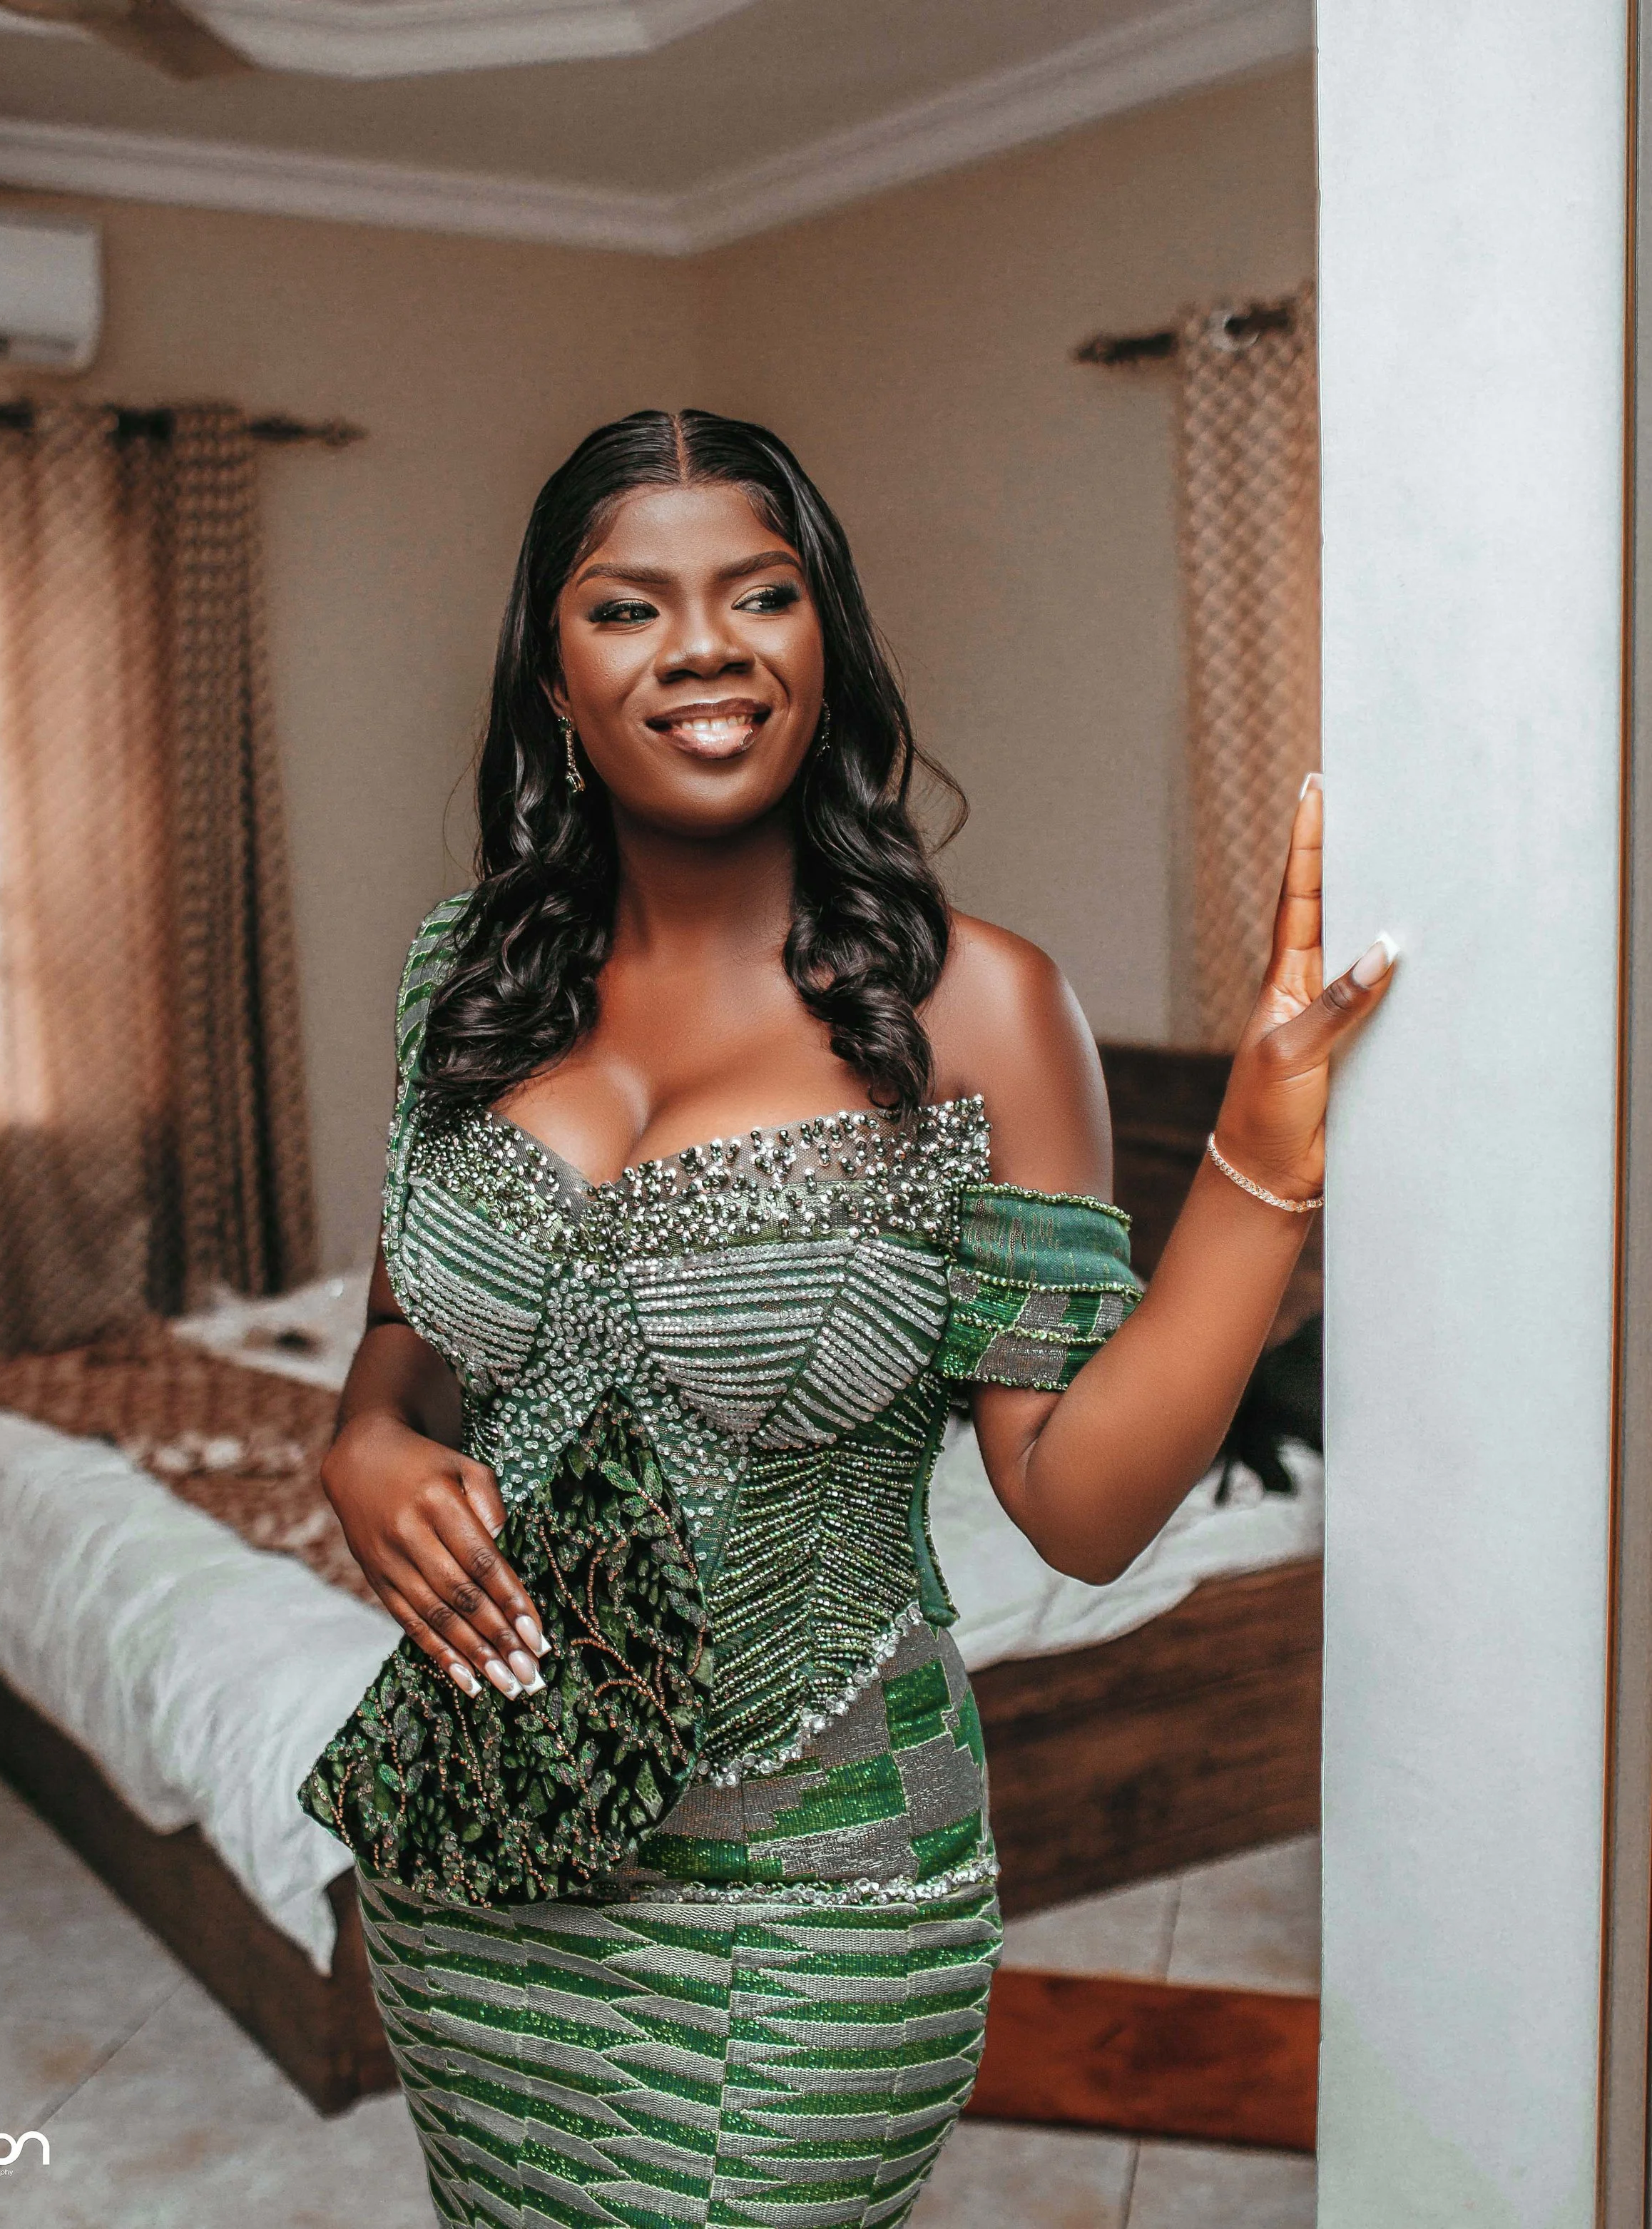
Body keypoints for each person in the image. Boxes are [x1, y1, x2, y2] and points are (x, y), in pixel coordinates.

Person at [297, 408, 1394, 2228]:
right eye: (627, 607)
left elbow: (1079, 1505)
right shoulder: (461, 972)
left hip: (808, 1894)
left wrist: (1257, 1168)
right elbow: (417, 1327)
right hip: (477, 1862)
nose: (705, 645)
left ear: (826, 645)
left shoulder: (974, 1006)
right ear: (552, 675)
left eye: (760, 593)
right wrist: (365, 1436)